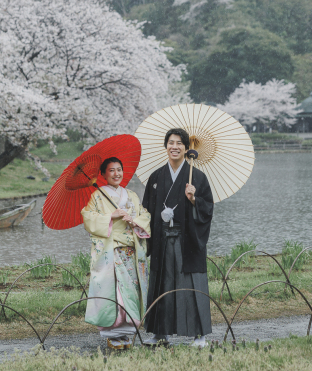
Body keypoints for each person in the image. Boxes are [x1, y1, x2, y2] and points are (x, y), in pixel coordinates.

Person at [141, 128, 214, 348]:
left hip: (187, 240)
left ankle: (199, 334)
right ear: (166, 147)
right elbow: (147, 210)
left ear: (186, 148)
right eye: (171, 143)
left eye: (179, 143)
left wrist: (194, 200)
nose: (175, 147)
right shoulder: (156, 177)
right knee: (162, 283)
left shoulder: (198, 177)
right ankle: (159, 333)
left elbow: (208, 209)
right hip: (163, 239)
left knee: (191, 284)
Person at [81, 157, 151, 350]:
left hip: (130, 250)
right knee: (114, 292)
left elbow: (145, 215)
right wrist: (110, 216)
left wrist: (134, 220)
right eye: (111, 170)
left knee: (131, 290)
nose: (116, 174)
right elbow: (88, 218)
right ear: (103, 175)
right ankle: (112, 333)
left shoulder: (132, 195)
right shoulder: (97, 197)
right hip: (111, 250)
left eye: (119, 169)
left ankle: (128, 331)